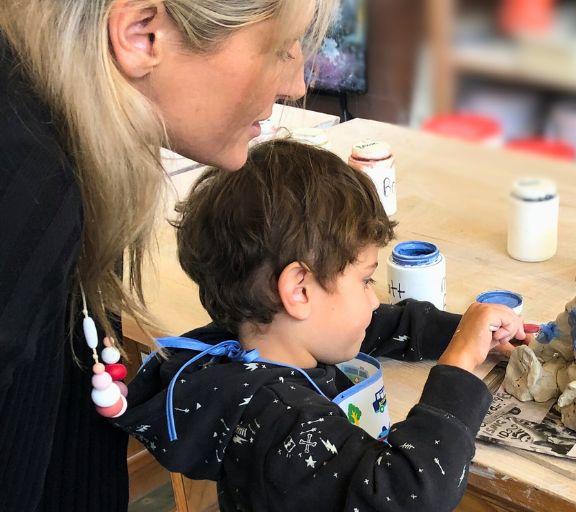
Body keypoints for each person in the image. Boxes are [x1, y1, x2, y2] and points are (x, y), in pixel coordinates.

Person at [0, 1, 334, 509]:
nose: (295, 84)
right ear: (142, 34)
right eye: (277, 49)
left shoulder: (71, 146)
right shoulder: (27, 193)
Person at [114, 139, 528, 510]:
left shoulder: (262, 339)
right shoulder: (278, 420)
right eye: (366, 280)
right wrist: (457, 368)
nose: (373, 298)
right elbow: (409, 493)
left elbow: (373, 324)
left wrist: (463, 333)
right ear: (299, 290)